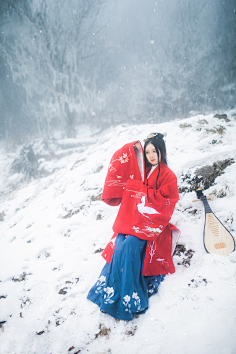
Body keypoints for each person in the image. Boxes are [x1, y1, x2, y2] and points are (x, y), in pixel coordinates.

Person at [87, 133, 180, 320]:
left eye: (155, 151)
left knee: (129, 246)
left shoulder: (168, 175)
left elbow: (166, 202)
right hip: (135, 220)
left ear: (162, 151)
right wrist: (136, 147)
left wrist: (141, 193)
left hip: (153, 223)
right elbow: (125, 157)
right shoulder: (143, 170)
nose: (151, 155)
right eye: (147, 152)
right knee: (119, 242)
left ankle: (131, 297)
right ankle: (111, 294)